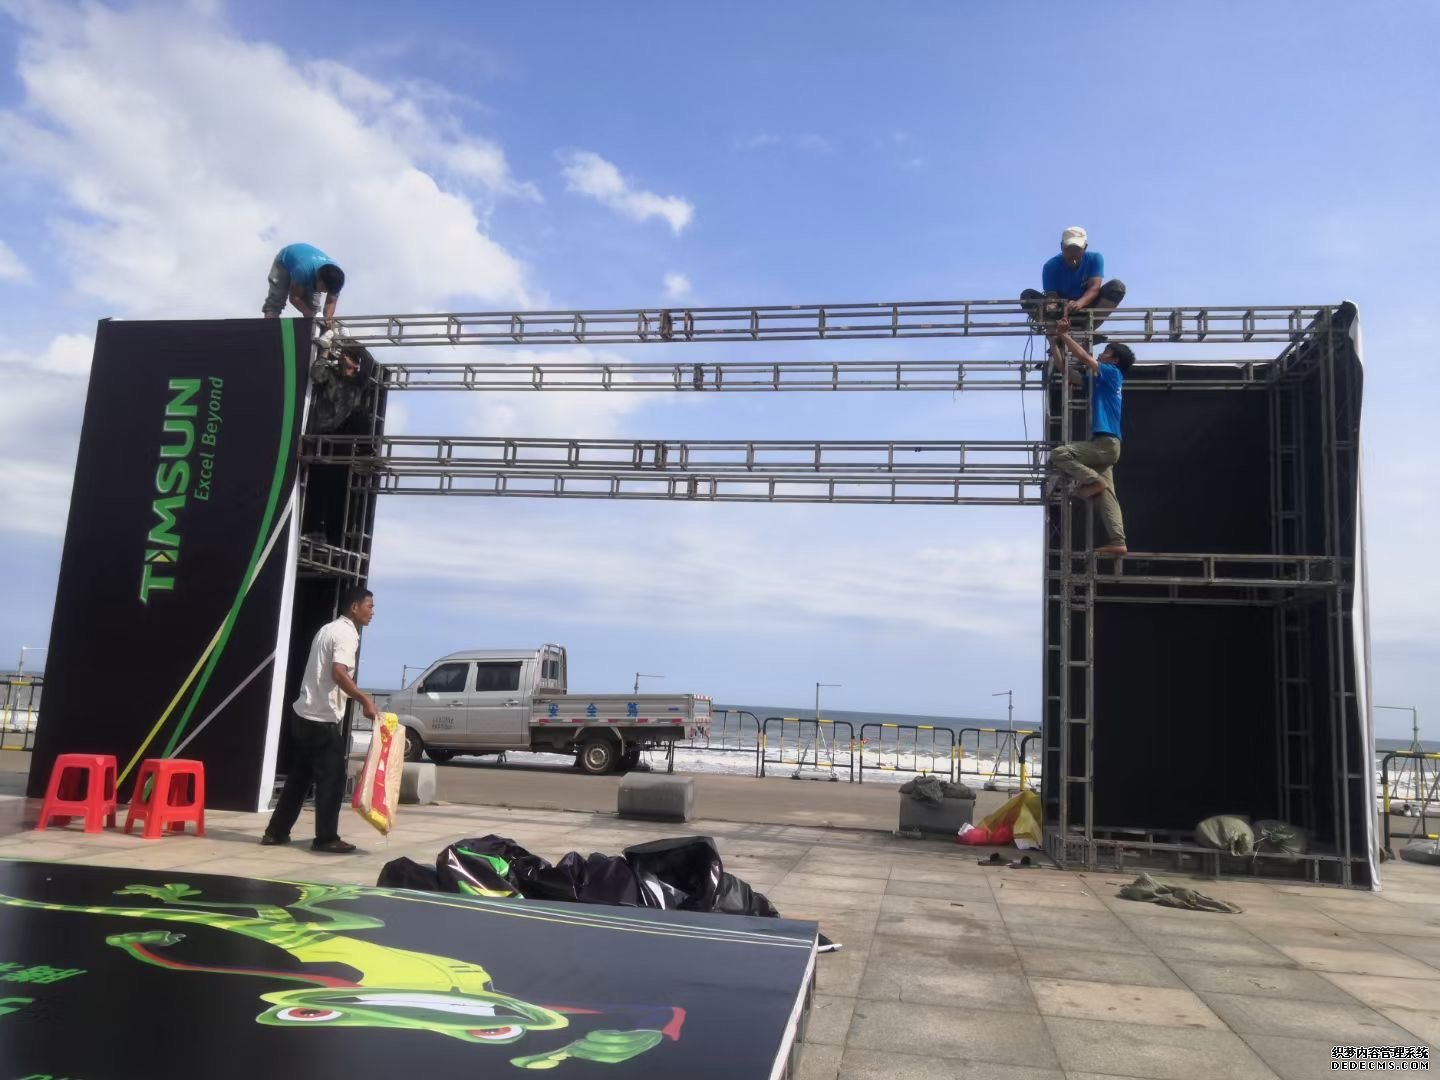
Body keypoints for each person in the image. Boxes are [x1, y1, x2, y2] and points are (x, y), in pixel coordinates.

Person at [262, 585, 377, 853]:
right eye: (370, 606)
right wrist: (365, 700)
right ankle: (326, 838)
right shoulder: (346, 633)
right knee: (332, 780)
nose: (373, 612)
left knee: (299, 779)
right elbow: (339, 673)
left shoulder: (327, 629)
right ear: (355, 607)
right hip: (321, 720)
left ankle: (276, 832)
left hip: (303, 715)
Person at [1048, 324, 1134, 556]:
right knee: (1108, 499)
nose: (1101, 354)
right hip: (1108, 446)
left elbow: (1084, 357)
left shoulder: (1113, 373)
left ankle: (1093, 480)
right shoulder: (1100, 380)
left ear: (1114, 360)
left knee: (1059, 454)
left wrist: (1064, 334)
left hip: (1105, 443)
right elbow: (1065, 370)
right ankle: (1118, 541)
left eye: (1106, 352)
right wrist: (1053, 341)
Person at [1021, 226, 1126, 334]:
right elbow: (1052, 295)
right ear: (1061, 246)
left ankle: (1088, 329)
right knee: (1028, 296)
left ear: (1085, 247)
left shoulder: (1094, 259)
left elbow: (1094, 288)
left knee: (1116, 287)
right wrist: (1053, 304)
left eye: (1076, 249)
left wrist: (1079, 303)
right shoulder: (1051, 266)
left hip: (1088, 306)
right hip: (1062, 310)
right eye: (1068, 248)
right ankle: (1054, 331)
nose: (1072, 253)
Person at [262, 242, 345, 325]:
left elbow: (331, 301)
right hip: (285, 262)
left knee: (313, 307)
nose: (324, 292)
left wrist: (327, 319)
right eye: (324, 288)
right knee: (277, 298)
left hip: (306, 264)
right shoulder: (303, 271)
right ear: (319, 279)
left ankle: (315, 329)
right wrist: (311, 316)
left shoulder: (337, 278)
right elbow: (295, 298)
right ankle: (269, 324)